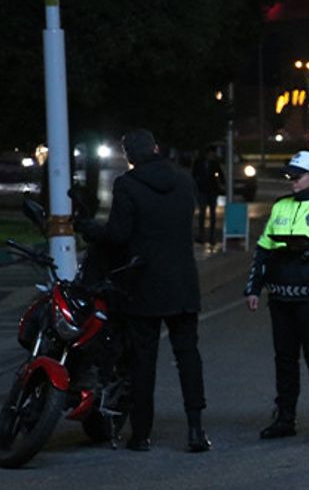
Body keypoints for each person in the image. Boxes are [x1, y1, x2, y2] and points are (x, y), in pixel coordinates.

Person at [78, 129, 210, 453]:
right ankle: (196, 430)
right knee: (188, 357)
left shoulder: (127, 185)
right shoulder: (183, 181)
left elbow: (119, 234)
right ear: (156, 147)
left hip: (144, 285)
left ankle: (141, 435)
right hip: (183, 283)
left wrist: (89, 228)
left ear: (129, 156)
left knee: (143, 362)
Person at [244, 151, 309, 442]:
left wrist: (304, 249)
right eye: (290, 175)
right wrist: (253, 287)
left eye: (298, 175)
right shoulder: (281, 206)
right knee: (285, 359)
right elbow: (263, 250)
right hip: (280, 296)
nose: (291, 180)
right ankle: (285, 418)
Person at [191, 146, 224, 244]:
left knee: (212, 213)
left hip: (212, 191)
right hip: (202, 191)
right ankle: (202, 235)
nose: (211, 155)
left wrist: (220, 183)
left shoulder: (214, 163)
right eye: (210, 153)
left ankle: (211, 235)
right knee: (202, 213)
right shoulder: (199, 162)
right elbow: (194, 174)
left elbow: (221, 175)